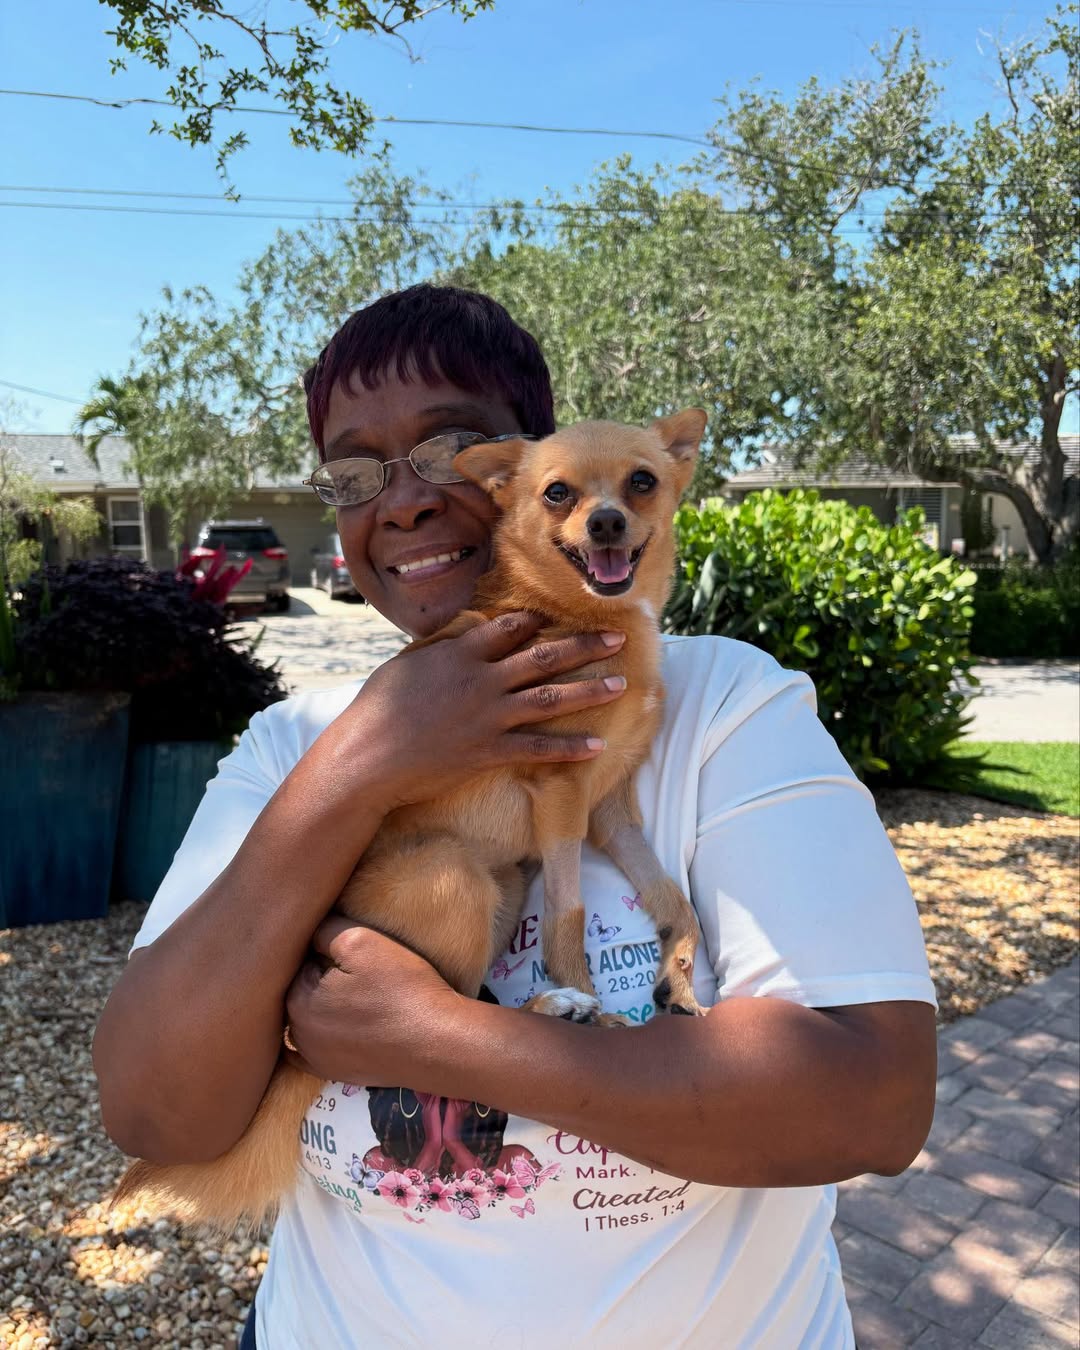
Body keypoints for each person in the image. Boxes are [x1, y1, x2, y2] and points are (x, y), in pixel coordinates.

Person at [94, 284, 938, 1349]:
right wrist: (365, 759)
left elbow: (872, 1102)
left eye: (451, 452)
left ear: (526, 470)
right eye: (354, 472)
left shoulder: (726, 707)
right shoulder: (290, 747)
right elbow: (153, 1112)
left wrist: (442, 1035)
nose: (400, 502)